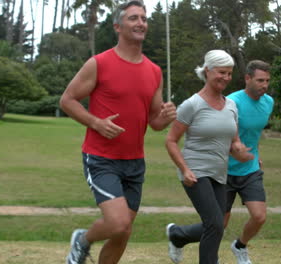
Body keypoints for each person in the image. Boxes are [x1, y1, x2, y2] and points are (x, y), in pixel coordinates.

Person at [59, 1, 176, 263]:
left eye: (144, 18)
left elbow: (154, 122)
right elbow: (67, 100)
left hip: (135, 162)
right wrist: (97, 123)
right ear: (118, 26)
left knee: (122, 232)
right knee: (119, 223)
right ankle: (83, 240)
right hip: (101, 158)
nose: (141, 23)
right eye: (133, 18)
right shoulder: (99, 63)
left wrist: (166, 117)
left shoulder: (155, 72)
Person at [164, 50, 253, 264]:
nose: (226, 78)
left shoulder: (231, 106)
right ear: (207, 71)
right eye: (221, 72)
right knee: (214, 223)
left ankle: (177, 235)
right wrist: (185, 169)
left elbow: (234, 140)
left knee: (217, 224)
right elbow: (171, 140)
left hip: (219, 173)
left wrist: (240, 151)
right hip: (195, 171)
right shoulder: (192, 105)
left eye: (229, 73)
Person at [223, 60, 273, 264]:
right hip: (224, 169)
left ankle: (240, 245)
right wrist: (235, 151)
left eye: (267, 81)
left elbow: (253, 133)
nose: (265, 85)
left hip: (250, 168)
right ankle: (180, 236)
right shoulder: (231, 102)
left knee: (259, 216)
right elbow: (219, 135)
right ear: (247, 78)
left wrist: (254, 152)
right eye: (260, 80)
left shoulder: (269, 102)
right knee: (218, 224)